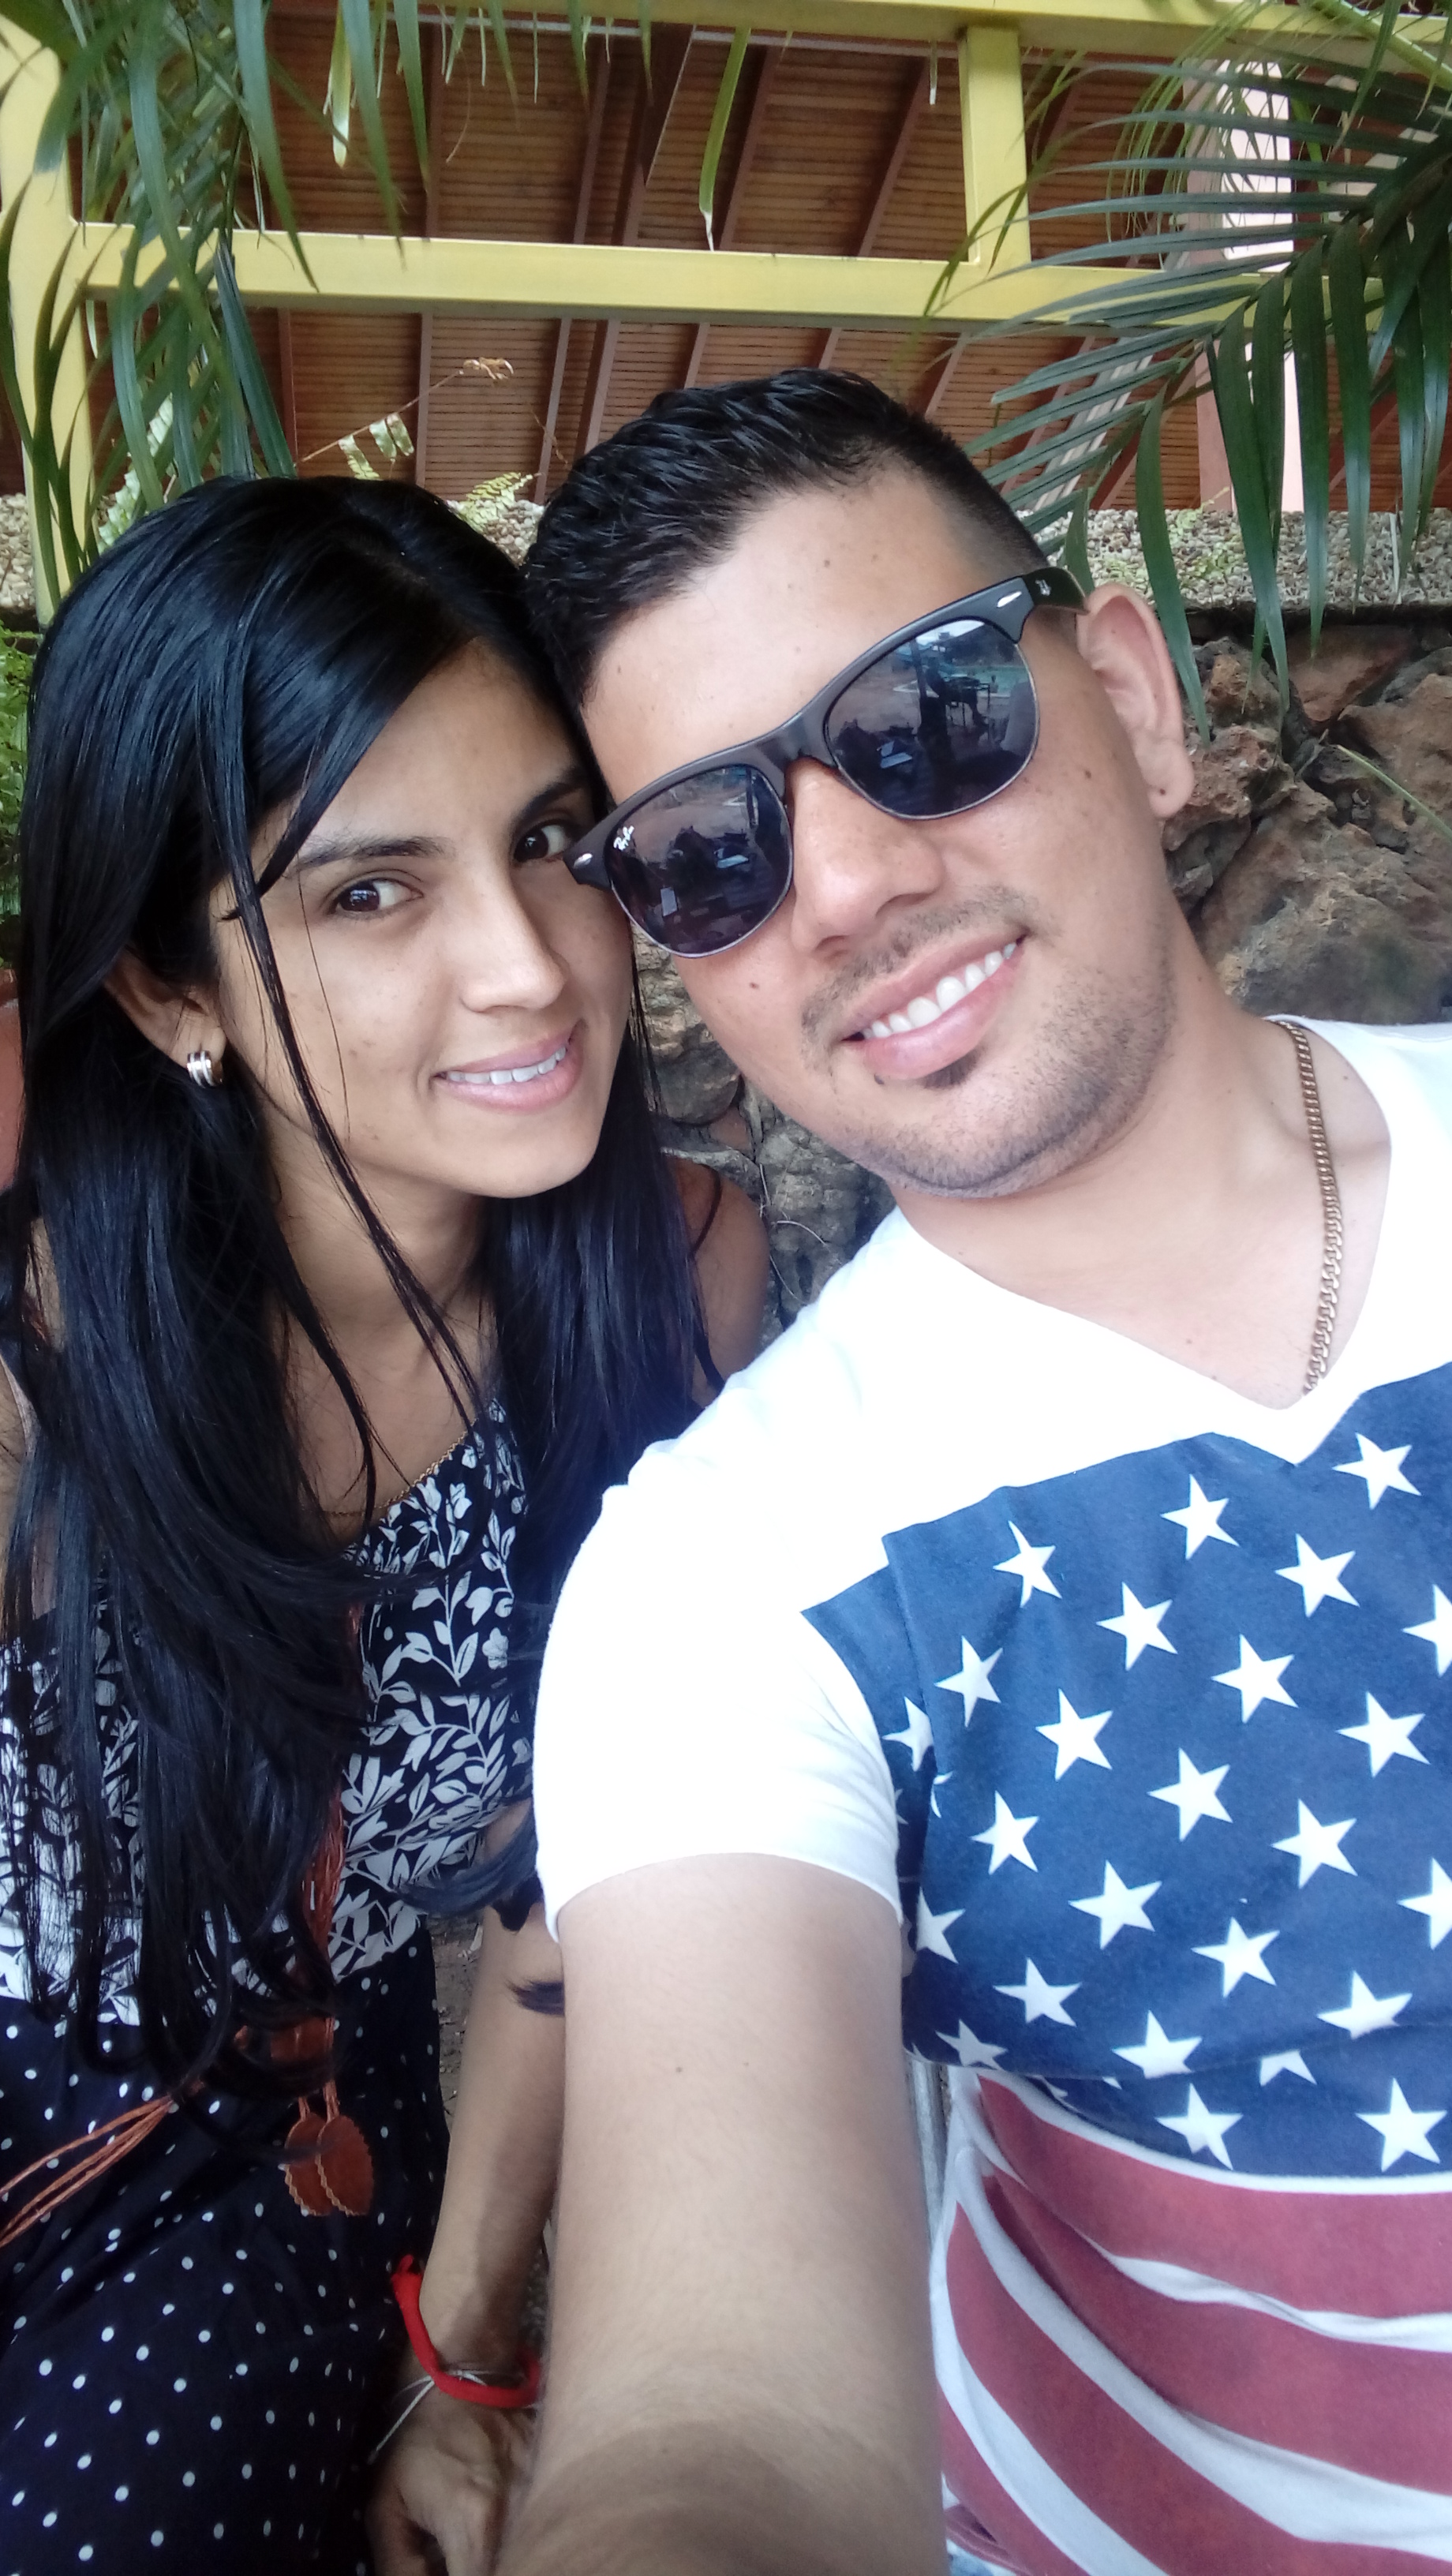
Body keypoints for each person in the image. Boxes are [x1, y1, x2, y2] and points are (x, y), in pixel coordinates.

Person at [484, 369, 1452, 2576]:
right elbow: (715, 2417)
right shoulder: (726, 1578)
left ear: (1133, 696)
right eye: (710, 854)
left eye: (926, 719)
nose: (843, 885)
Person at [0, 474, 765, 2576]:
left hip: (312, 2123)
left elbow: (574, 1867)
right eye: (367, 891)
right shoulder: (39, 1362)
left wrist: (465, 2354)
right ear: (168, 989)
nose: (531, 968)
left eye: (550, 840)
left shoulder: (675, 1279)